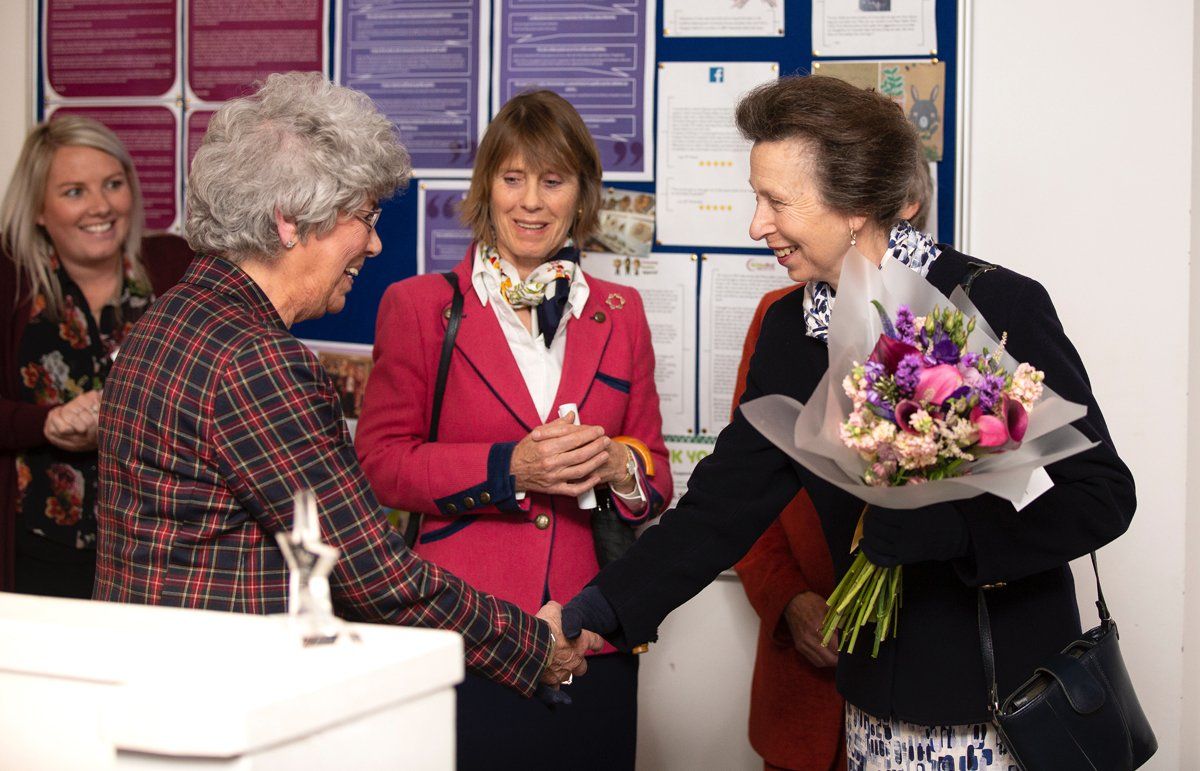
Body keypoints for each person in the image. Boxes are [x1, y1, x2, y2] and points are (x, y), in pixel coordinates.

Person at [563, 74, 1136, 769]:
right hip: (872, 712)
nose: (756, 225)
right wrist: (599, 611)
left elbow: (1102, 494)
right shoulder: (788, 330)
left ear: (857, 204)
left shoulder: (994, 304)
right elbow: (722, 507)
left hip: (1001, 711)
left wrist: (952, 531)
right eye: (756, 197)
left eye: (776, 201)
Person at [93, 72, 599, 700]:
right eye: (363, 217)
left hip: (150, 678)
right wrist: (532, 646)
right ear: (288, 222)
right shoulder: (257, 363)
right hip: (222, 695)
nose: (376, 242)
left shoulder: (170, 318)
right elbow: (371, 572)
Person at [355, 89, 671, 770]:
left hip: (593, 639)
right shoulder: (419, 306)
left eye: (552, 181)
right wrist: (510, 469)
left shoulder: (623, 312)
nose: (531, 202)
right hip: (462, 632)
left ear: (581, 194)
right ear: (486, 187)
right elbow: (380, 463)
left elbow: (657, 480)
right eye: (513, 178)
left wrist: (621, 466)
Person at [732, 158, 931, 771]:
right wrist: (788, 599)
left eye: (779, 202)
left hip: (926, 678)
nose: (759, 225)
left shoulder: (956, 318)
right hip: (806, 691)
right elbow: (743, 492)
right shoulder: (779, 320)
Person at [0, 115, 192, 597]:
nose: (101, 206)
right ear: (39, 208)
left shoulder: (175, 265)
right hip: (40, 549)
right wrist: (45, 423)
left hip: (162, 551)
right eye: (74, 192)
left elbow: (215, 391)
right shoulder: (8, 281)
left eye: (113, 184)